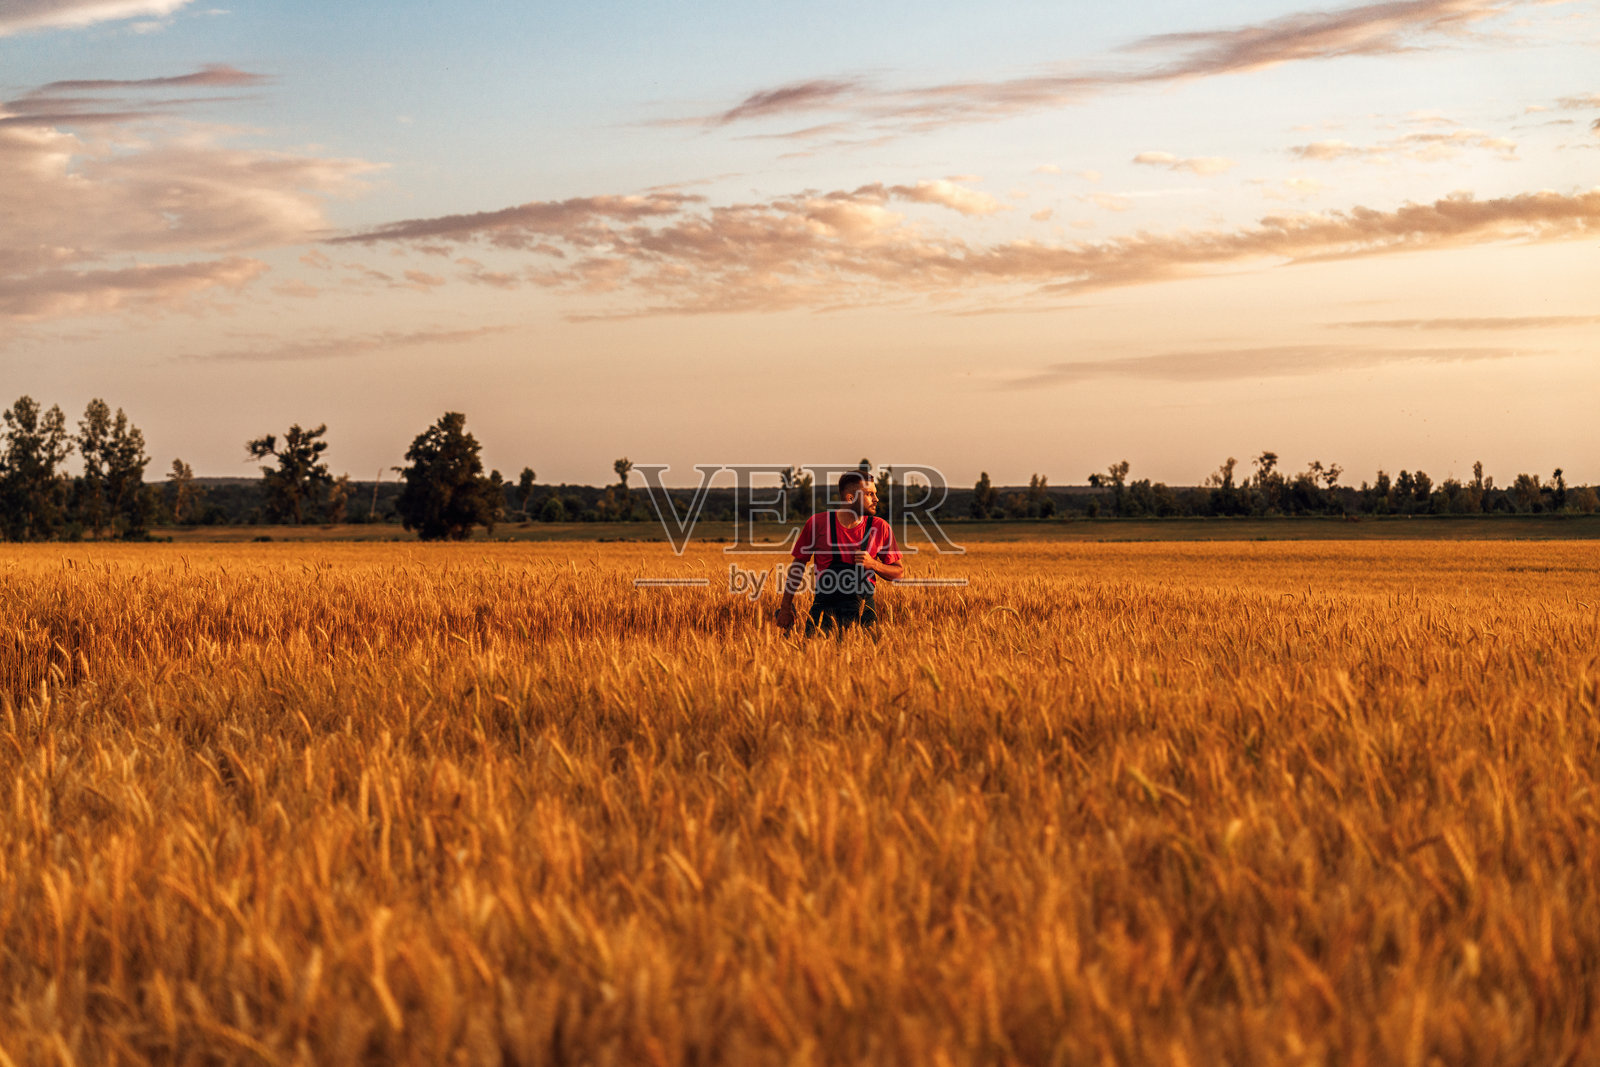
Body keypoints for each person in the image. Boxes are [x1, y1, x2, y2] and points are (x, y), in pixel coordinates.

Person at [774, 471, 904, 636]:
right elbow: (797, 567)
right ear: (850, 498)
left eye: (875, 493)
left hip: (863, 618)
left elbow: (898, 573)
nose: (876, 499)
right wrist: (785, 608)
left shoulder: (880, 527)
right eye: (869, 494)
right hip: (823, 618)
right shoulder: (817, 524)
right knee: (815, 653)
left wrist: (874, 564)